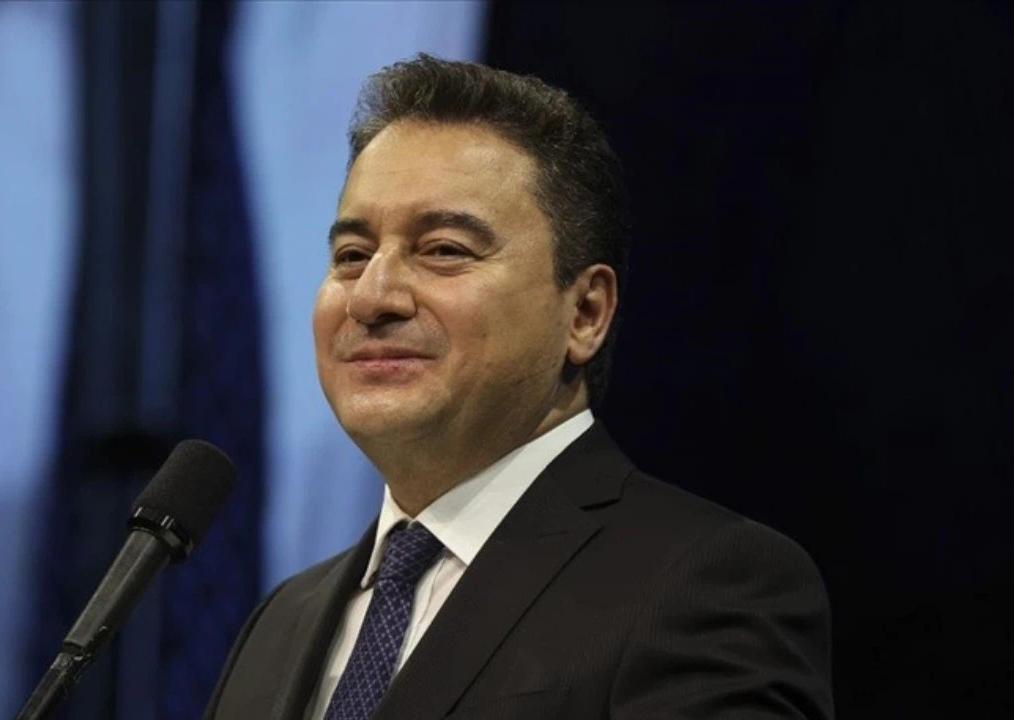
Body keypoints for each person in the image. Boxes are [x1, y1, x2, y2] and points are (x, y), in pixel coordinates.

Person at [204, 54, 833, 720]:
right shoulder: (278, 625)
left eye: (444, 249)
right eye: (352, 256)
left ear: (584, 313)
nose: (372, 297)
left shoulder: (704, 583)